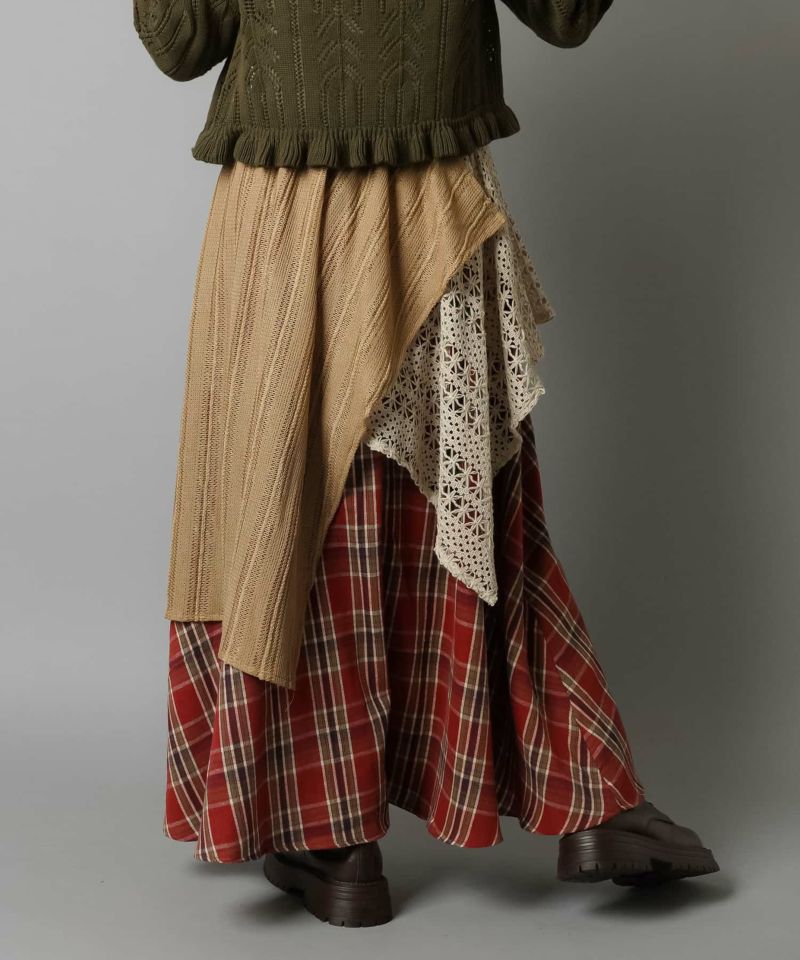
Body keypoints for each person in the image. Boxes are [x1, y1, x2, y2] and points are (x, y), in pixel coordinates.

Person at [134, 0, 719, 927]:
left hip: (283, 209)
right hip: (433, 208)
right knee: (463, 505)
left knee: (293, 508)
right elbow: (566, 15)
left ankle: (330, 833)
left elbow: (179, 42)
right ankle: (587, 793)